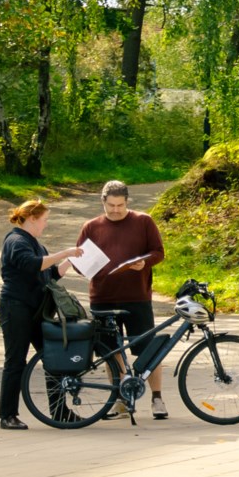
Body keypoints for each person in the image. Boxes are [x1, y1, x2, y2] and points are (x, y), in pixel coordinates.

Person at [79, 180, 169, 419]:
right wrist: (84, 266)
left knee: (148, 349)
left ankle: (157, 398)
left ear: (127, 202)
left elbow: (158, 252)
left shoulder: (143, 221)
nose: (116, 210)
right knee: (111, 352)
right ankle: (119, 400)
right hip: (103, 299)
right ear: (103, 202)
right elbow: (80, 261)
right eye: (111, 205)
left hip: (136, 297)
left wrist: (144, 262)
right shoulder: (91, 227)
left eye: (120, 205)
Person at [0, 199, 64, 430]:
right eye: (44, 220)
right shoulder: (15, 240)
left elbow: (48, 274)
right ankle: (7, 415)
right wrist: (64, 252)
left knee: (53, 358)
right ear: (33, 219)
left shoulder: (36, 244)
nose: (46, 224)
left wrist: (70, 262)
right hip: (16, 307)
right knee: (16, 361)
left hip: (36, 310)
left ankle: (60, 411)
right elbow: (32, 265)